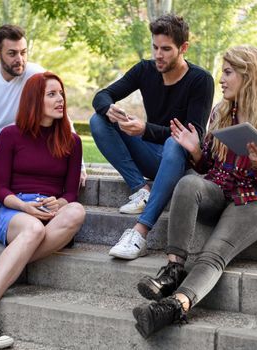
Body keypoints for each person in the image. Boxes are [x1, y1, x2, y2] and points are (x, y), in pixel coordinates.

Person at [132, 45, 257, 338]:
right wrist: (195, 149)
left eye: (228, 73)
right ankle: (172, 270)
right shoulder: (221, 111)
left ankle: (172, 307)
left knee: (212, 254)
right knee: (188, 183)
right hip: (220, 190)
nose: (221, 79)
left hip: (254, 202)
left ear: (250, 76)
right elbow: (207, 163)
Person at [0, 72, 85, 348]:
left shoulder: (72, 141)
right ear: (34, 99)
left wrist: (60, 204)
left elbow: (70, 192)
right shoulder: (10, 135)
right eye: (52, 94)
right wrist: (24, 206)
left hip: (52, 211)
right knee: (32, 229)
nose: (60, 100)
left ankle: (3, 270)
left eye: (61, 94)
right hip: (16, 209)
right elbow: (2, 190)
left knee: (77, 211)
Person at [90, 14, 214, 260]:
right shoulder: (145, 70)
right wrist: (109, 109)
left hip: (180, 162)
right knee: (98, 120)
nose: (159, 55)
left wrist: (146, 129)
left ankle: (140, 232)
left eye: (166, 49)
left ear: (183, 48)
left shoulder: (201, 80)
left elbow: (193, 136)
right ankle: (141, 189)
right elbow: (102, 95)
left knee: (175, 141)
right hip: (150, 155)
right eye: (155, 47)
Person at [0, 24, 86, 213]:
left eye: (23, 52)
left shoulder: (37, 75)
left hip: (26, 152)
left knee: (12, 161)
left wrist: (77, 165)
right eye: (12, 53)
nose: (20, 59)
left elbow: (62, 115)